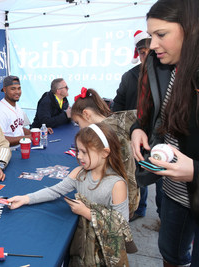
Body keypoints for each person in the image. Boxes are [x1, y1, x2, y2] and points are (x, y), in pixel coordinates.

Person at [130, 0, 199, 266]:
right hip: (171, 191)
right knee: (170, 254)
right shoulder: (157, 66)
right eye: (151, 35)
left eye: (161, 35)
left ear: (191, 29)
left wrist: (194, 170)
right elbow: (148, 116)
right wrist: (138, 130)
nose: (153, 45)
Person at [8, 123, 133, 266]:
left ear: (105, 152)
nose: (79, 156)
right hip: (83, 246)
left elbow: (122, 225)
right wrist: (25, 199)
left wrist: (86, 212)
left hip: (104, 253)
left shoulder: (116, 185)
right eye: (78, 151)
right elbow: (54, 191)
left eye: (84, 152)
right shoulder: (79, 173)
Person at [112, 30, 162, 222]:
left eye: (149, 51)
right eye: (142, 52)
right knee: (138, 172)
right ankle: (139, 208)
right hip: (133, 135)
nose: (146, 56)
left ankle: (162, 215)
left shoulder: (167, 74)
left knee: (161, 176)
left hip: (160, 136)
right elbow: (118, 105)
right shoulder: (129, 76)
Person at [71, 87, 140, 220]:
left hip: (117, 200)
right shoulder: (117, 121)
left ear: (86, 114)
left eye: (78, 123)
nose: (79, 128)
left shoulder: (105, 135)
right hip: (130, 193)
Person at [0, 75, 31, 148]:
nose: (17, 92)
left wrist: (35, 133)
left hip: (21, 147)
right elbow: (0, 140)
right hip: (8, 152)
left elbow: (19, 128)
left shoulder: (17, 107)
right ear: (5, 90)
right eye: (13, 89)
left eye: (19, 88)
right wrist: (27, 138)